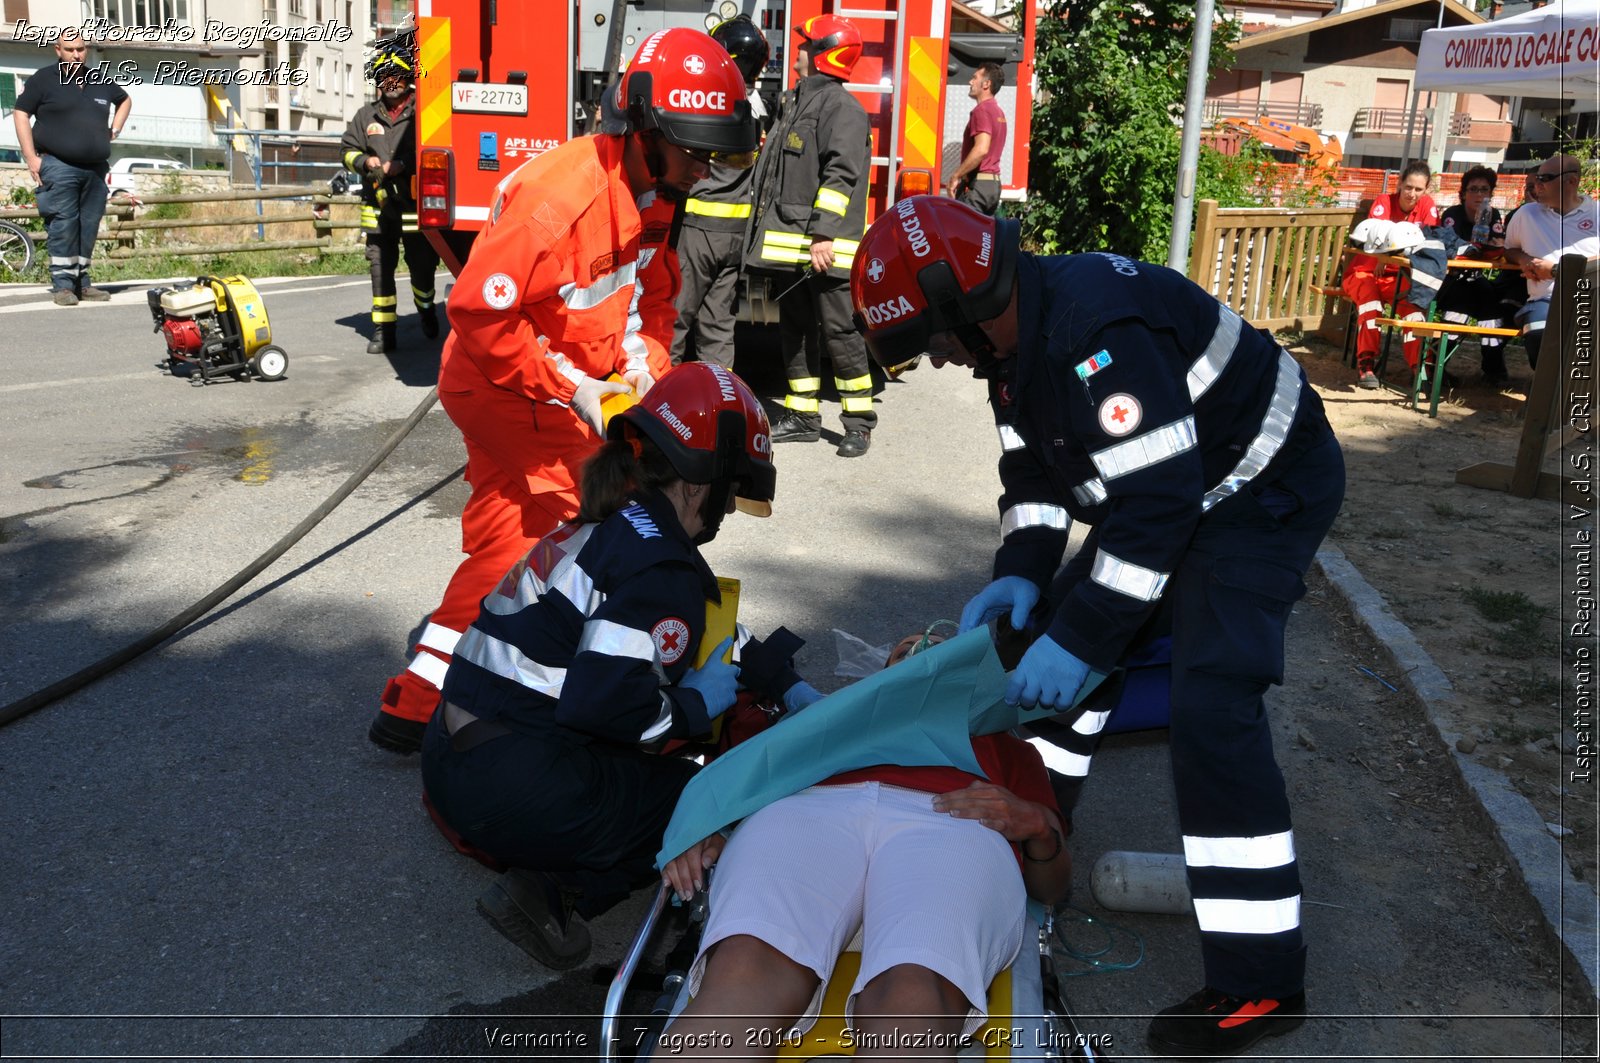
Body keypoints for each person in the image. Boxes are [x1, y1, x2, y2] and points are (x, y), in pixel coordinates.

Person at [849, 197, 1346, 1060]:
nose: (935, 358)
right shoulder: (1011, 348)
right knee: (1053, 659)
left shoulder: (1094, 333)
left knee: (1210, 706)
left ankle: (1261, 977)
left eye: (933, 339)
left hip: (1260, 488)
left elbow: (1157, 506)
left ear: (966, 310)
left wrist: (1080, 640)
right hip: (1169, 490)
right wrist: (1020, 578)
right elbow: (1035, 478)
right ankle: (1041, 844)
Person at [368, 28, 760, 754]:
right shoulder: (563, 196)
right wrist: (575, 388)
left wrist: (645, 371)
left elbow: (651, 299)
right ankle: (444, 694)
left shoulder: (653, 189)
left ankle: (421, 694)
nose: (708, 167)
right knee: (553, 531)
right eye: (698, 150)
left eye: (718, 152)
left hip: (544, 388)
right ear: (647, 131)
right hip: (507, 386)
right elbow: (481, 313)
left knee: (505, 533)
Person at [422, 362, 814, 969]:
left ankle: (555, 853)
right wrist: (693, 706)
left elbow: (696, 636)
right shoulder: (659, 566)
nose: (729, 512)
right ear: (698, 483)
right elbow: (607, 706)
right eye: (731, 494)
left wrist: (782, 683)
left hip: (453, 756)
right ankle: (552, 892)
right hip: (509, 782)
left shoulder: (617, 524)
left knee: (645, 750)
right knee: (703, 789)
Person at [660, 632, 1071, 1057]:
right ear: (881, 674)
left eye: (943, 648)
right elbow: (739, 782)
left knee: (914, 993)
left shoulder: (1011, 750)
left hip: (952, 820)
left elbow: (1051, 889)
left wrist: (1040, 827)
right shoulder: (826, 717)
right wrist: (710, 825)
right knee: (746, 967)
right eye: (905, 647)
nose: (923, 651)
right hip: (811, 811)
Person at [746, 14, 877, 458]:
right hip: (791, 243)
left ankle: (858, 423)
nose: (796, 52)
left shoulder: (844, 109)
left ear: (823, 54)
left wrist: (823, 233)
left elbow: (841, 174)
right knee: (796, 331)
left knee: (841, 333)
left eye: (805, 46)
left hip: (825, 248)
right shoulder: (797, 101)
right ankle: (802, 416)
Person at [670, 15, 769, 370]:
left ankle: (662, 404)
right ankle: (721, 403)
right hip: (734, 239)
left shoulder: (708, 101)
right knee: (717, 327)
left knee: (675, 321)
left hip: (696, 232)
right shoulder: (756, 109)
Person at [12, 28, 130, 307]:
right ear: (58, 51)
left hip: (95, 169)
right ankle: (63, 286)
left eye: (80, 49)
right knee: (63, 224)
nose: (76, 54)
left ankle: (82, 283)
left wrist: (116, 128)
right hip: (58, 165)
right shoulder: (44, 80)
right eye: (70, 49)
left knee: (88, 225)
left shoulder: (98, 79)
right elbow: (20, 113)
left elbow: (124, 100)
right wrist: (31, 157)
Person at [340, 42, 441, 353]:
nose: (390, 81)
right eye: (384, 76)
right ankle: (385, 331)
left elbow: (436, 150)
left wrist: (403, 164)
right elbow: (346, 151)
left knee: (421, 267)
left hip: (414, 208)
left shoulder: (425, 112)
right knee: (380, 268)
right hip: (378, 208)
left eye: (396, 75)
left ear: (407, 77)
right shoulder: (365, 116)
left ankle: (425, 309)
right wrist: (365, 162)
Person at [1341, 160, 1439, 389]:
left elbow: (1430, 241)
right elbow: (1376, 239)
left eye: (1418, 189)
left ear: (1426, 190)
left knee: (1414, 308)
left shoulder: (1427, 206)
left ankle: (1421, 371)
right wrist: (1382, 257)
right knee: (1370, 305)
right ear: (1400, 184)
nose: (1412, 193)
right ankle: (1365, 365)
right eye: (1408, 187)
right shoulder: (1384, 201)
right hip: (1364, 272)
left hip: (1399, 276)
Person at [1503, 153, 1599, 372]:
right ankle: (1546, 400)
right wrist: (1523, 259)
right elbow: (1509, 249)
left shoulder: (1597, 214)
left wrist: (1556, 271)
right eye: (1536, 178)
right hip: (1545, 301)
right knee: (1539, 334)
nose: (1537, 184)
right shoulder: (1526, 214)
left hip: (1592, 299)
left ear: (1572, 181)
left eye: (1545, 178)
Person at [1434, 165, 1521, 384]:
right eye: (1473, 189)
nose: (1479, 194)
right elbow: (1452, 249)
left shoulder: (1493, 214)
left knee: (1492, 313)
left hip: (1475, 278)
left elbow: (1498, 247)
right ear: (1463, 193)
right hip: (1450, 279)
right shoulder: (1452, 214)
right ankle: (1434, 369)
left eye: (1484, 190)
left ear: (1490, 194)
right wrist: (1481, 248)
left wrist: (1487, 247)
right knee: (1458, 312)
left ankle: (1493, 371)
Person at [945, 62, 1007, 216]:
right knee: (982, 238)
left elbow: (981, 149)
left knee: (963, 236)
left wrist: (956, 176)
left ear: (986, 84)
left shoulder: (982, 110)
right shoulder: (998, 112)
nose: (970, 82)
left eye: (975, 78)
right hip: (993, 187)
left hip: (978, 187)